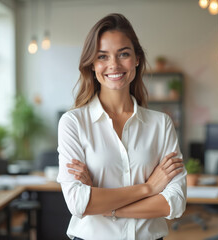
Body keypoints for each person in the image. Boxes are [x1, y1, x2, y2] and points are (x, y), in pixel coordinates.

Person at [57, 13, 187, 240]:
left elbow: (174, 202)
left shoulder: (160, 124)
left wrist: (103, 204)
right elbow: (78, 203)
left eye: (123, 54)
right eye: (102, 56)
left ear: (137, 58)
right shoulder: (73, 123)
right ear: (92, 64)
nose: (114, 65)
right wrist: (148, 188)